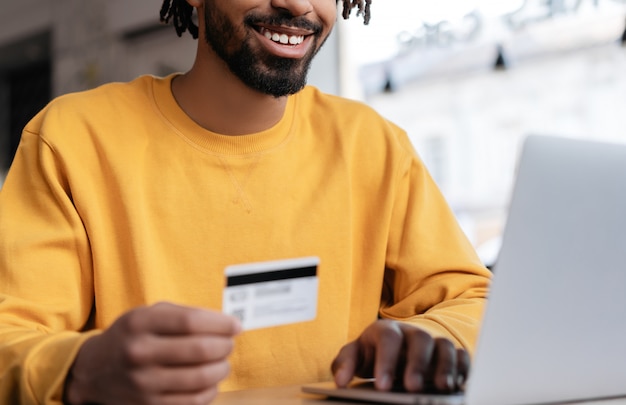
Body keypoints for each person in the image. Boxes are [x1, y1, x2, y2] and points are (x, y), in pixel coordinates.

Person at [0, 0, 492, 404]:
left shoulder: (374, 145)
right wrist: (80, 370)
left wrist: (427, 342)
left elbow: (471, 298)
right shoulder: (70, 140)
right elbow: (10, 334)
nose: (299, 5)